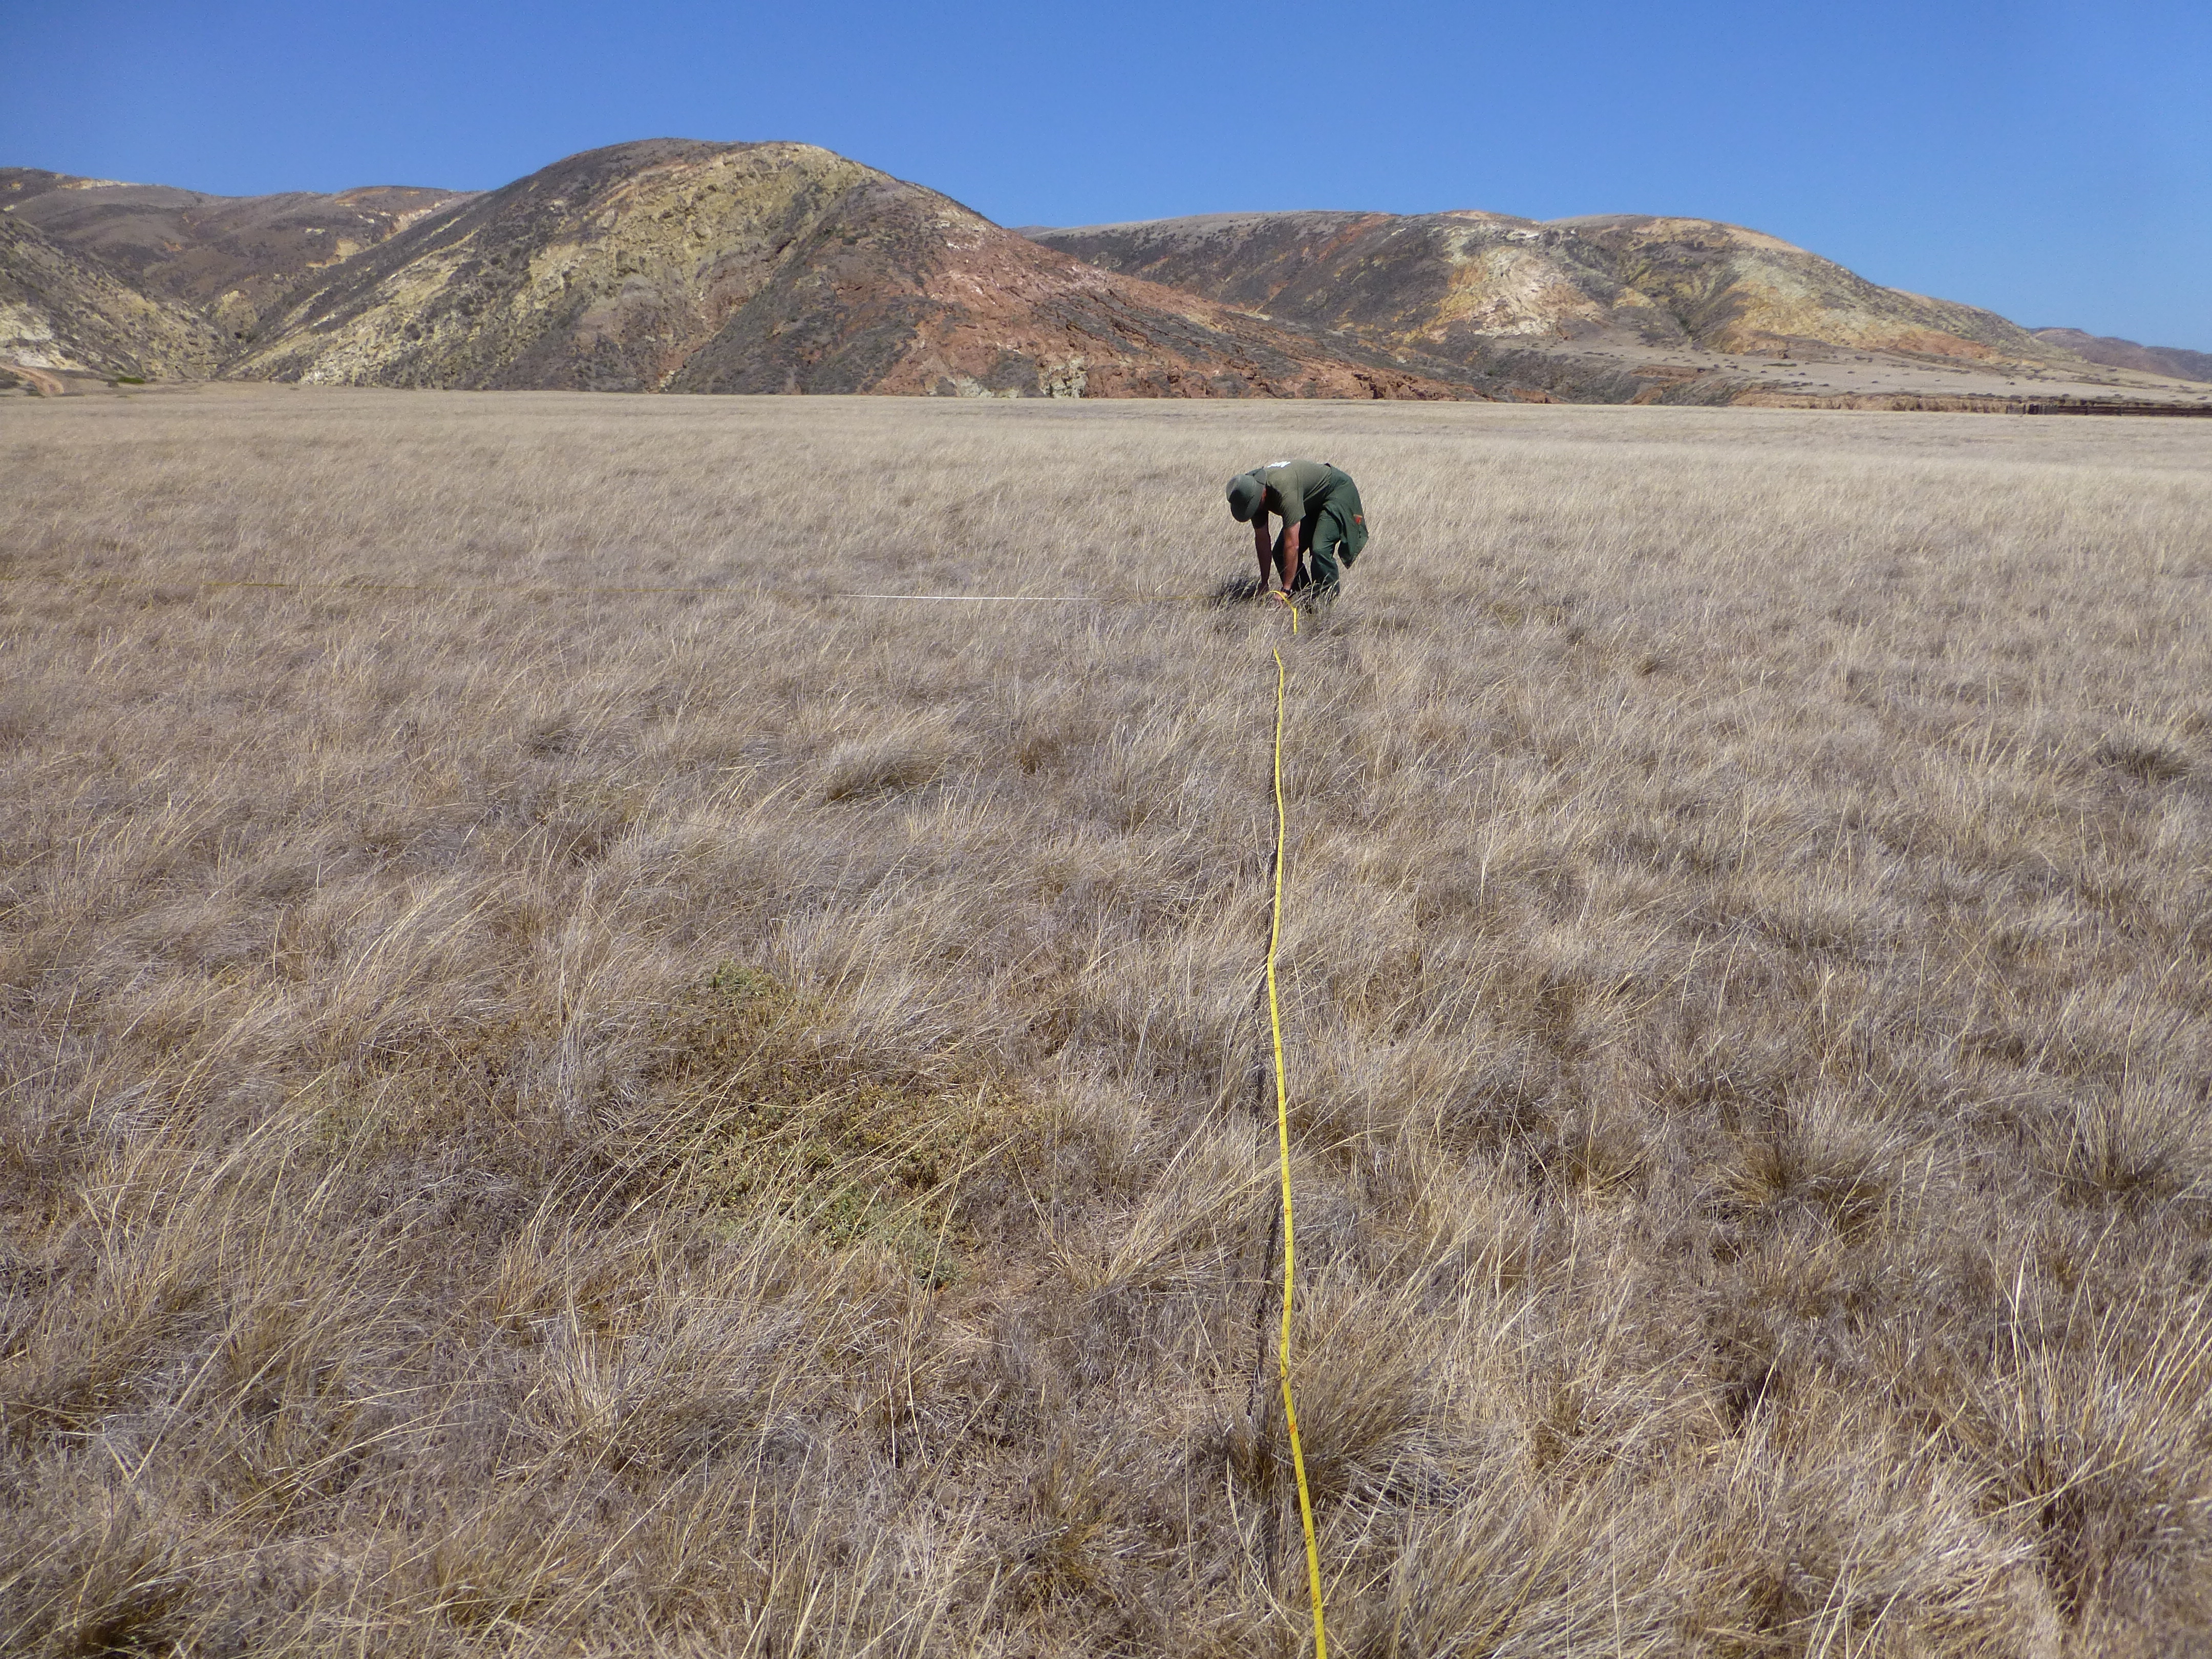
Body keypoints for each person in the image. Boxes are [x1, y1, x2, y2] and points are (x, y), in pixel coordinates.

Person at [1226, 459, 1369, 610]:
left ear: (1262, 493)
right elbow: (1262, 541)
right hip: (1310, 503)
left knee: (1320, 549)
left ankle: (1326, 606)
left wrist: (1286, 589)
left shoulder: (1284, 490)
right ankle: (1307, 601)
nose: (1254, 509)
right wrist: (1264, 582)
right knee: (1280, 553)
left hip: (1336, 493)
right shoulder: (1250, 495)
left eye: (1254, 504)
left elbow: (1293, 545)